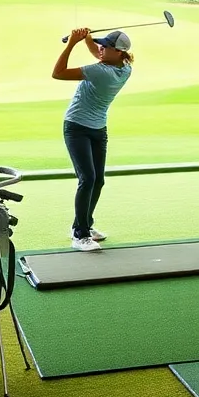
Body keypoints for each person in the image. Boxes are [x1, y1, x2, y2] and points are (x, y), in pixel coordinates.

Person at [52, 28, 134, 252]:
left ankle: (82, 227)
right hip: (79, 127)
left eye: (105, 46)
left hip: (89, 129)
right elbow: (98, 54)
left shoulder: (101, 72)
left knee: (96, 180)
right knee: (89, 179)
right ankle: (80, 233)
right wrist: (87, 39)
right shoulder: (125, 68)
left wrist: (71, 44)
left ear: (118, 52)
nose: (100, 48)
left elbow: (57, 73)